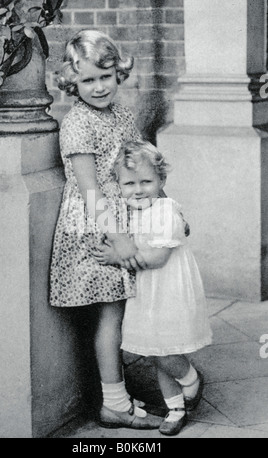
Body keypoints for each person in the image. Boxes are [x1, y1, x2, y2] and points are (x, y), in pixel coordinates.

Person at [49, 29, 162, 429]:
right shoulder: (77, 123)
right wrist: (118, 237)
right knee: (111, 314)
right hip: (96, 228)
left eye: (105, 76)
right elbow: (90, 190)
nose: (98, 87)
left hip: (125, 216)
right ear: (72, 82)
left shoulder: (121, 115)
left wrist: (164, 208)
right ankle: (114, 401)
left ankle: (148, 380)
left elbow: (140, 169)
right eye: (87, 80)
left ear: (118, 74)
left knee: (132, 307)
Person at [93, 140, 212, 436]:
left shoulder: (165, 212)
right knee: (156, 349)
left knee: (166, 351)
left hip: (169, 290)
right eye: (130, 183)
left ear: (162, 181)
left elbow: (158, 258)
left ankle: (190, 380)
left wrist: (118, 258)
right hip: (148, 293)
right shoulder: (131, 212)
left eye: (147, 181)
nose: (138, 190)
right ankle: (175, 408)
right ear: (119, 185)